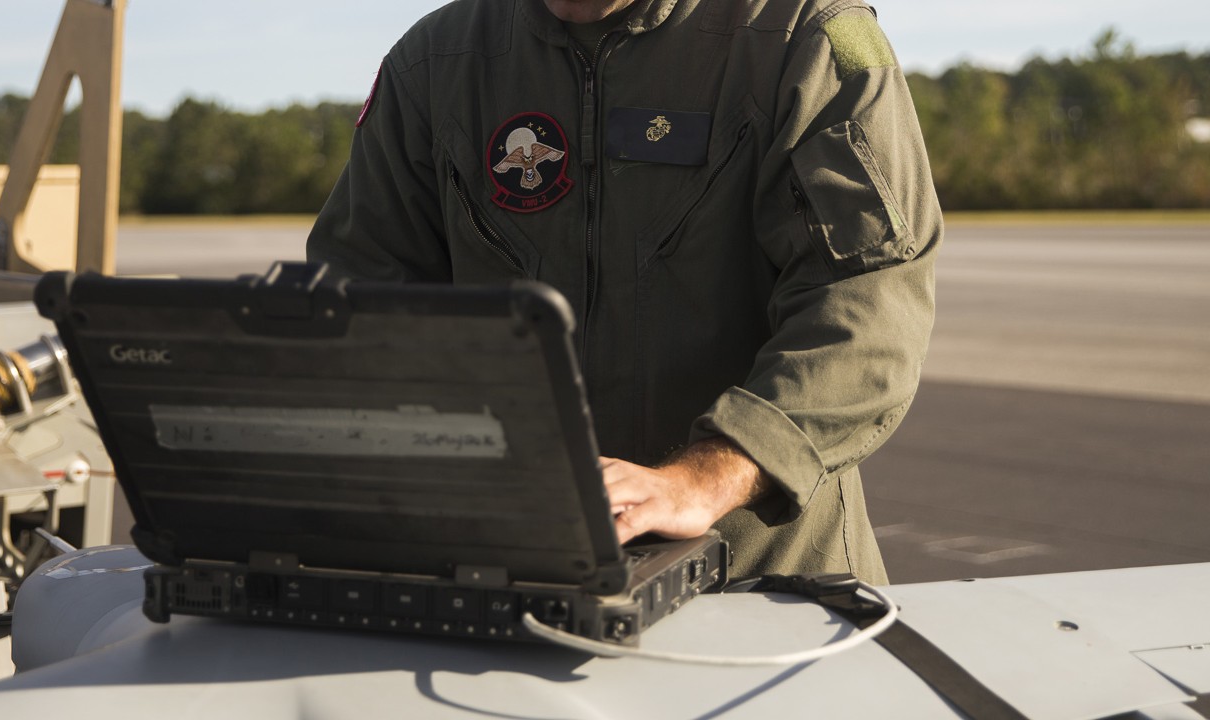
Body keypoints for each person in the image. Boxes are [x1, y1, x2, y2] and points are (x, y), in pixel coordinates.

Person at [307, 0, 942, 584]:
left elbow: (870, 302)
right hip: (508, 580)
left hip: (766, 588)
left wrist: (707, 476)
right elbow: (360, 298)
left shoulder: (805, 38)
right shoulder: (434, 63)